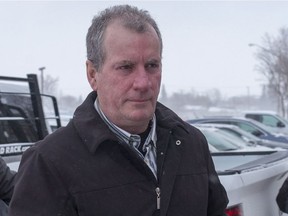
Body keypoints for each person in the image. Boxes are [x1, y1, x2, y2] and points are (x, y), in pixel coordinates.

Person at [9, 5, 228, 215]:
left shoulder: (191, 144)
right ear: (93, 74)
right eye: (126, 67)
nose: (143, 83)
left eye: (152, 65)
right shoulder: (48, 163)